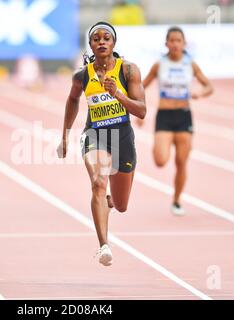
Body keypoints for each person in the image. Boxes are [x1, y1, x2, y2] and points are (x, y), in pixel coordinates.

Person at [57, 22, 146, 266]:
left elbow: (142, 111)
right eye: (96, 39)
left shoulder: (128, 71)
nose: (101, 42)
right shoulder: (82, 75)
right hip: (95, 134)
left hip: (122, 136)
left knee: (121, 204)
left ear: (114, 43)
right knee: (98, 182)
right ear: (91, 45)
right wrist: (65, 135)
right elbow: (72, 100)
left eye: (106, 38)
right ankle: (104, 245)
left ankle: (110, 203)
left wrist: (118, 93)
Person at [142, 26, 213, 216]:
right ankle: (159, 145)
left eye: (178, 41)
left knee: (181, 162)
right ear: (166, 44)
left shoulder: (190, 64)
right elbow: (141, 87)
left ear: (184, 44)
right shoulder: (159, 65)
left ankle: (176, 200)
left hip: (183, 116)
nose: (174, 44)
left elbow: (209, 86)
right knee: (160, 160)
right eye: (171, 40)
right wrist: (137, 113)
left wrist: (200, 93)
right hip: (164, 116)